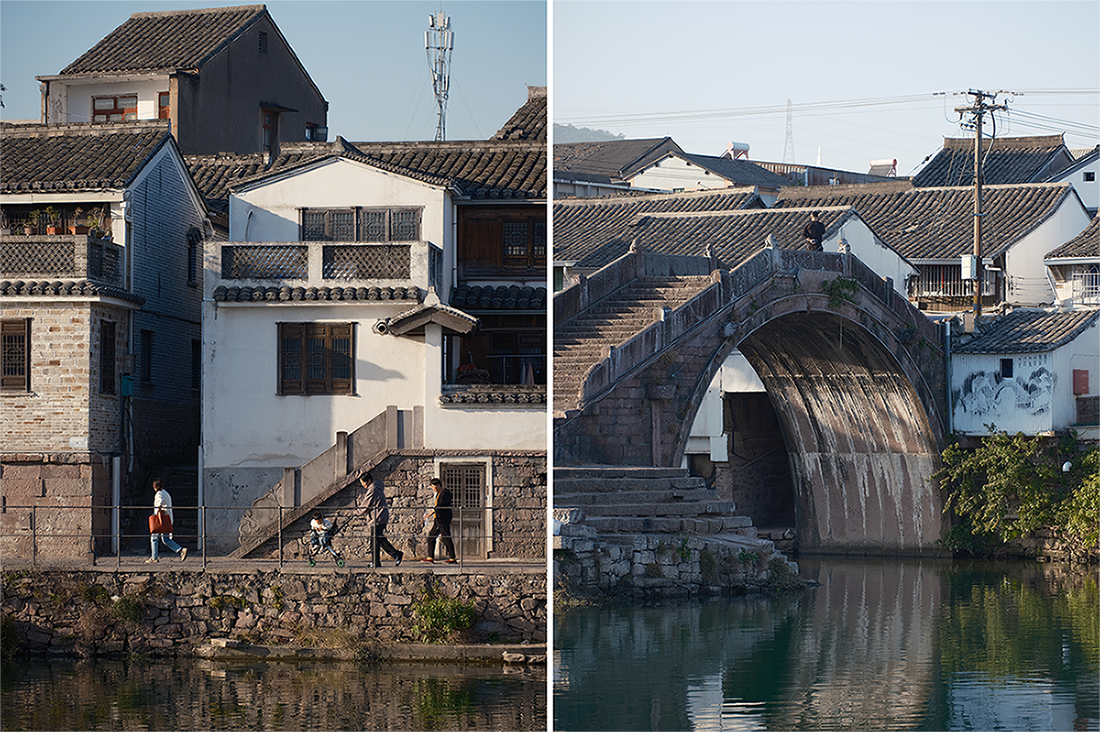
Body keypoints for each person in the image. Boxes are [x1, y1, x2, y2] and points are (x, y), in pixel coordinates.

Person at [359, 472, 403, 568]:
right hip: (379, 516)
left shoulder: (373, 489)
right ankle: (377, 561)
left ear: (369, 480)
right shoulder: (376, 486)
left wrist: (357, 512)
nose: (363, 485)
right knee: (377, 539)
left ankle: (395, 555)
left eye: (363, 483)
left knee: (376, 539)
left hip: (377, 517)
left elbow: (366, 504)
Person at [148, 480, 187, 563]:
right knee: (166, 539)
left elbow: (160, 503)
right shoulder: (166, 493)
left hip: (160, 521)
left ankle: (154, 557)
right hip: (167, 519)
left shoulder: (159, 494)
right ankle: (181, 550)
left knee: (154, 538)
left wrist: (159, 508)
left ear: (155, 487)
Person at [422, 477, 457, 563]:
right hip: (438, 519)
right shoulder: (439, 493)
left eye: (433, 487)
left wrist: (429, 514)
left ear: (438, 485)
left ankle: (452, 558)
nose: (433, 489)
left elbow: (440, 506)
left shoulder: (444, 493)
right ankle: (430, 557)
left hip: (442, 519)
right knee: (433, 537)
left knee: (445, 537)